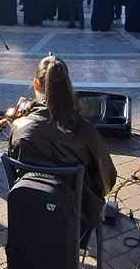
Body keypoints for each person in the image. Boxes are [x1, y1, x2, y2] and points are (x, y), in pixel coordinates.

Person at [8, 55, 117, 243]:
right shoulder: (84, 130)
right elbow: (107, 180)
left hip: (30, 213)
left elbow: (15, 169)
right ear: (68, 85)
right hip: (76, 221)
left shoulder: (18, 127)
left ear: (36, 84)